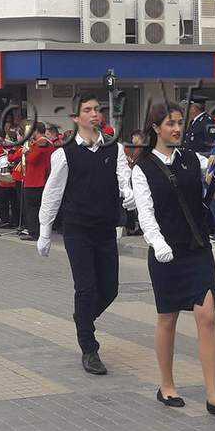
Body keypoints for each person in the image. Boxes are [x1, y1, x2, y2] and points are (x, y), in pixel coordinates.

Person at [132, 102, 215, 416]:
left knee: (208, 316)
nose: (177, 128)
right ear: (156, 128)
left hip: (197, 248)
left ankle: (213, 393)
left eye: (180, 123)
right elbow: (145, 214)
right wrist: (158, 243)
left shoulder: (193, 159)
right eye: (170, 124)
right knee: (168, 318)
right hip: (166, 252)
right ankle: (166, 384)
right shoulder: (143, 168)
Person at [37, 94, 134, 375]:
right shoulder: (64, 153)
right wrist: (44, 230)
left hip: (105, 229)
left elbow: (124, 177)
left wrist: (128, 193)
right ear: (76, 117)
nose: (94, 114)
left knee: (110, 289)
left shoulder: (115, 149)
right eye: (87, 110)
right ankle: (89, 348)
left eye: (97, 109)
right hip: (77, 229)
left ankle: (82, 319)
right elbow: (52, 193)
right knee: (86, 288)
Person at [21, 124, 56, 241]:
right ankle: (43, 231)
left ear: (36, 131)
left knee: (32, 209)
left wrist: (26, 152)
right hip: (44, 179)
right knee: (42, 208)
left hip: (34, 181)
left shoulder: (39, 143)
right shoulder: (50, 144)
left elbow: (32, 160)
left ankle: (34, 232)